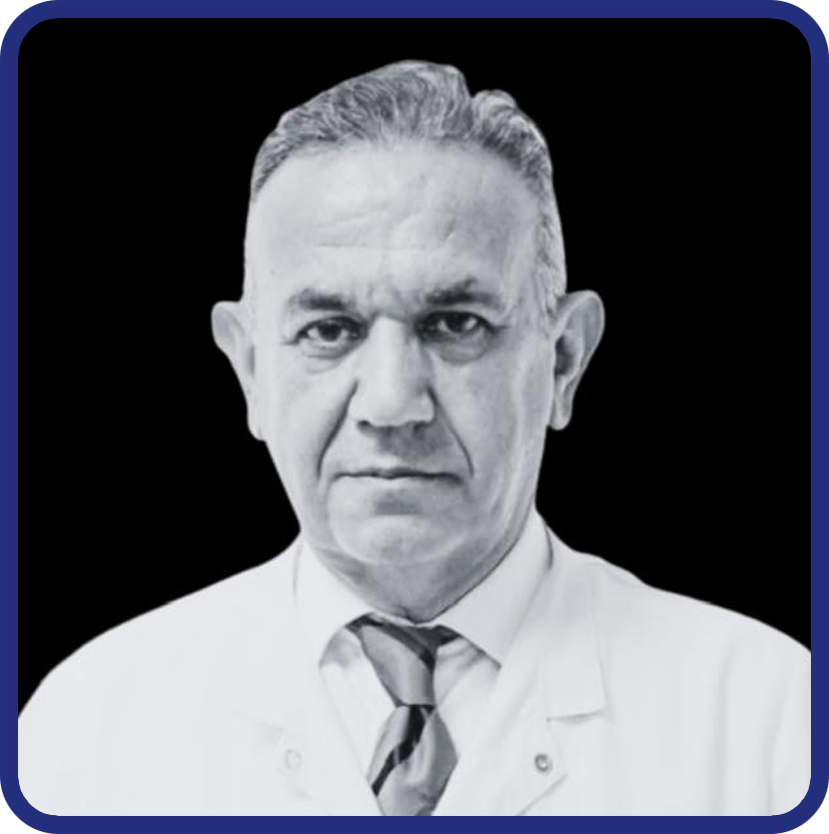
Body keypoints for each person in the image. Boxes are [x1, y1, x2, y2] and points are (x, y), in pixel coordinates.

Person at [18, 60, 810, 817]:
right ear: (251, 370)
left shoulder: (773, 723)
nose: (391, 403)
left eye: (454, 323)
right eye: (329, 330)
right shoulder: (84, 733)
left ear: (563, 359)